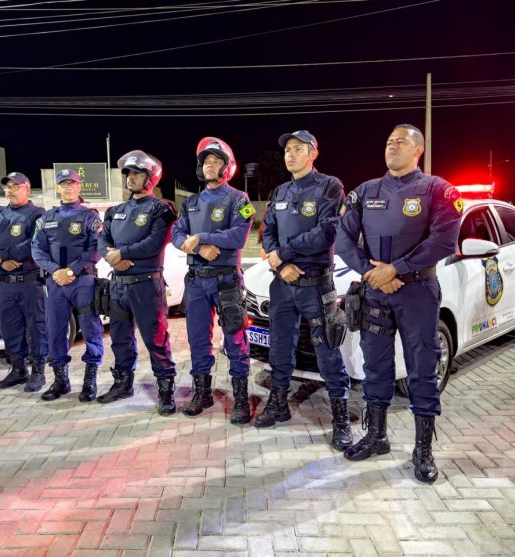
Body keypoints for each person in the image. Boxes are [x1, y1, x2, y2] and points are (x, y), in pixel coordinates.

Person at [335, 124, 463, 483]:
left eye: (400, 142)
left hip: (417, 292)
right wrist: (370, 272)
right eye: (388, 141)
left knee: (422, 369)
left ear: (417, 149)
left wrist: (397, 269)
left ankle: (423, 450)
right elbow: (343, 238)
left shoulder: (438, 190)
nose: (392, 146)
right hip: (375, 291)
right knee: (375, 365)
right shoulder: (365, 191)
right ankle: (376, 436)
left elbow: (444, 241)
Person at [257, 130, 352, 450]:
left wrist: (284, 254)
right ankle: (278, 404)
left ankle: (341, 418)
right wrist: (279, 264)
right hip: (283, 284)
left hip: (316, 284)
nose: (290, 154)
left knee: (327, 350)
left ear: (313, 153)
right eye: (287, 150)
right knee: (280, 349)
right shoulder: (280, 191)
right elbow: (267, 231)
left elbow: (326, 233)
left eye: (298, 149)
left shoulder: (330, 186)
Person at [171, 137, 255, 424]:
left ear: (227, 167)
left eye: (216, 161)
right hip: (196, 281)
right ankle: (202, 393)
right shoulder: (191, 202)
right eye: (206, 161)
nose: (210, 165)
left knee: (235, 338)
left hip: (226, 281)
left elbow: (238, 235)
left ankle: (241, 398)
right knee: (197, 340)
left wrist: (202, 238)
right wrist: (197, 247)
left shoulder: (238, 199)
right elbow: (176, 235)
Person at [97, 150, 178, 415]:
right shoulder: (115, 211)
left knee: (156, 339)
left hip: (146, 285)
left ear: (151, 177)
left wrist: (123, 253)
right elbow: (102, 239)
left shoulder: (162, 208)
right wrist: (111, 258)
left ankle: (166, 391)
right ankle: (123, 383)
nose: (131, 178)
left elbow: (155, 242)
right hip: (118, 284)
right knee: (120, 338)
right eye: (128, 174)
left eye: (137, 173)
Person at [31, 169, 104, 403]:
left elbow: (95, 248)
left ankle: (89, 382)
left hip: (83, 280)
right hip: (55, 283)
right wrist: (56, 271)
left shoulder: (89, 216)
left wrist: (71, 270)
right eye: (64, 184)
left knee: (90, 331)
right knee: (55, 331)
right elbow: (37, 249)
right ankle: (61, 381)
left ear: (79, 186)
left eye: (72, 183)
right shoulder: (46, 218)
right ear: (57, 189)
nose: (68, 187)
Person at [0, 172, 48, 392]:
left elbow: (34, 242)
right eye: (8, 186)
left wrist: (5, 255)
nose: (10, 190)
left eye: (15, 186)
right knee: (10, 328)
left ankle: (38, 371)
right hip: (4, 282)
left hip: (30, 282)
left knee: (36, 327)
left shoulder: (38, 214)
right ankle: (18, 369)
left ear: (27, 189)